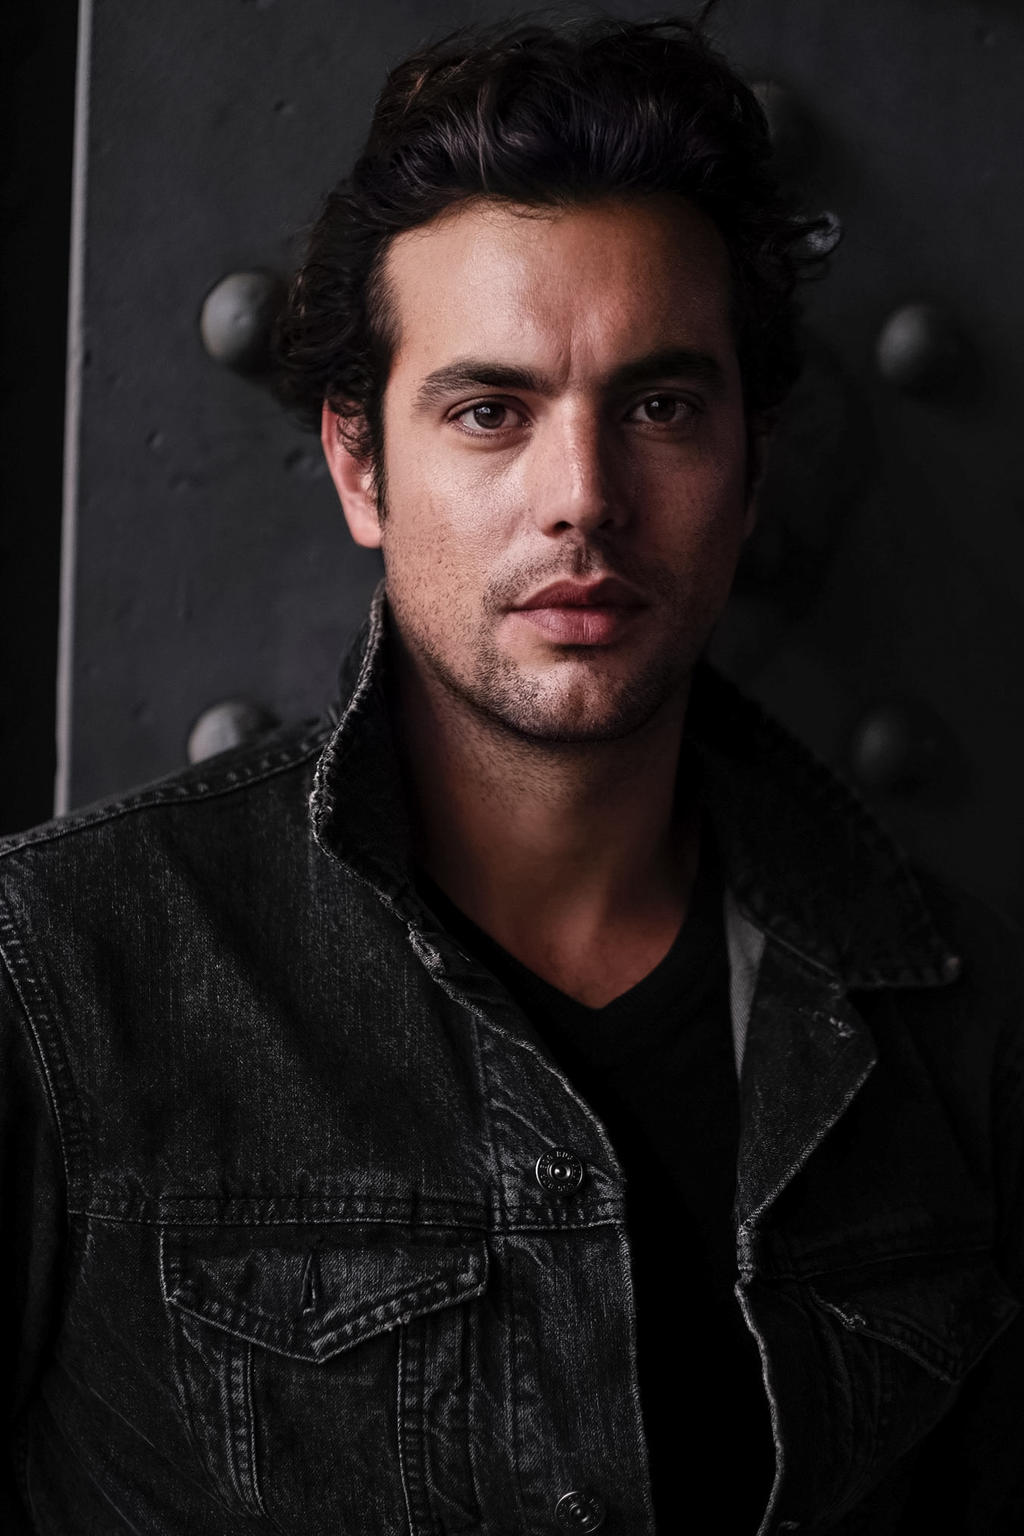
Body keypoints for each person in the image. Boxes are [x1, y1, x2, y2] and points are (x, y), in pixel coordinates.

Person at [3, 14, 1023, 1534]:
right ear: (361, 466)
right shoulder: (63, 974)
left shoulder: (954, 1018)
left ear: (751, 464)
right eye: (491, 412)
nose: (584, 498)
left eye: (661, 407)